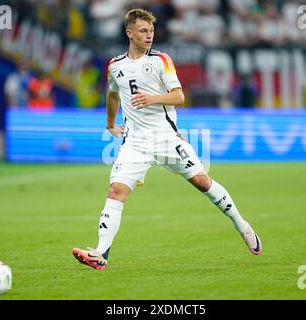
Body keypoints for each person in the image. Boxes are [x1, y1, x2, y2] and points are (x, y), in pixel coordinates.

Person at [72, 9, 262, 270]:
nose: (149, 35)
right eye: (143, 31)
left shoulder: (161, 60)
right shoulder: (116, 65)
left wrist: (153, 98)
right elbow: (113, 94)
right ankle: (101, 253)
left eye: (151, 31)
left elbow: (179, 96)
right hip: (135, 143)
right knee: (116, 192)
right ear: (129, 33)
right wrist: (109, 124)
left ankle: (242, 225)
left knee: (203, 182)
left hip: (166, 138)